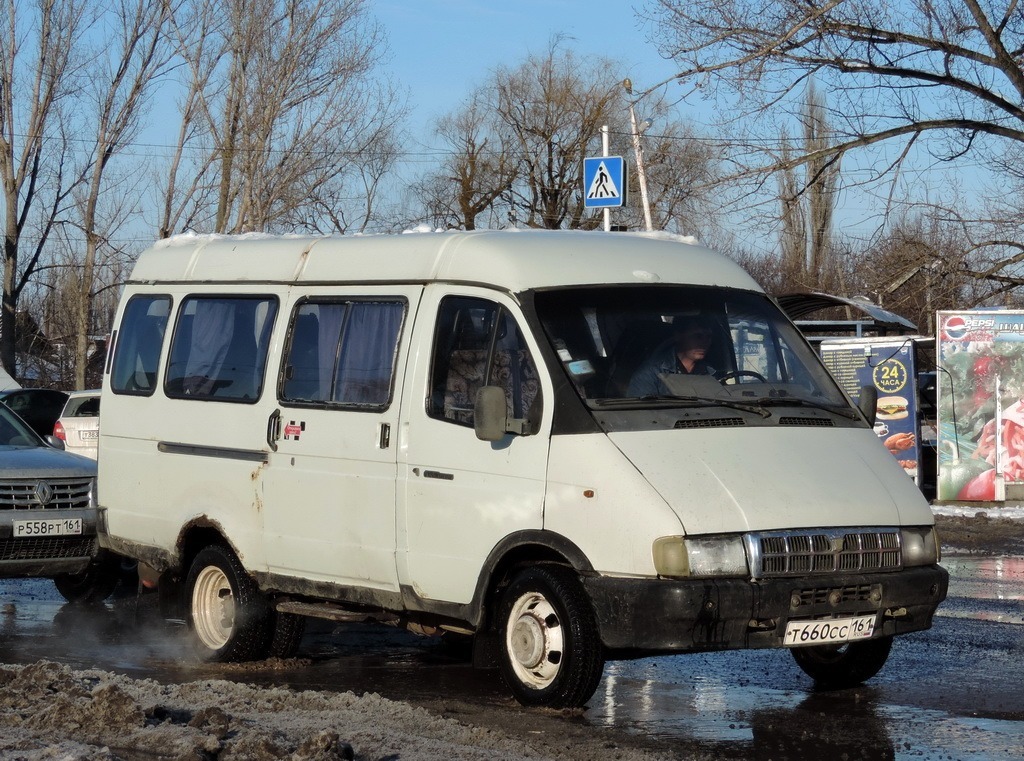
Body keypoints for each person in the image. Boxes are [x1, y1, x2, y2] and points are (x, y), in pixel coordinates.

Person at [627, 315, 717, 397]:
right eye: (698, 336)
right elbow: (641, 412)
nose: (704, 342)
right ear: (678, 336)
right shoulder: (651, 373)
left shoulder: (711, 372)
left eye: (708, 337)